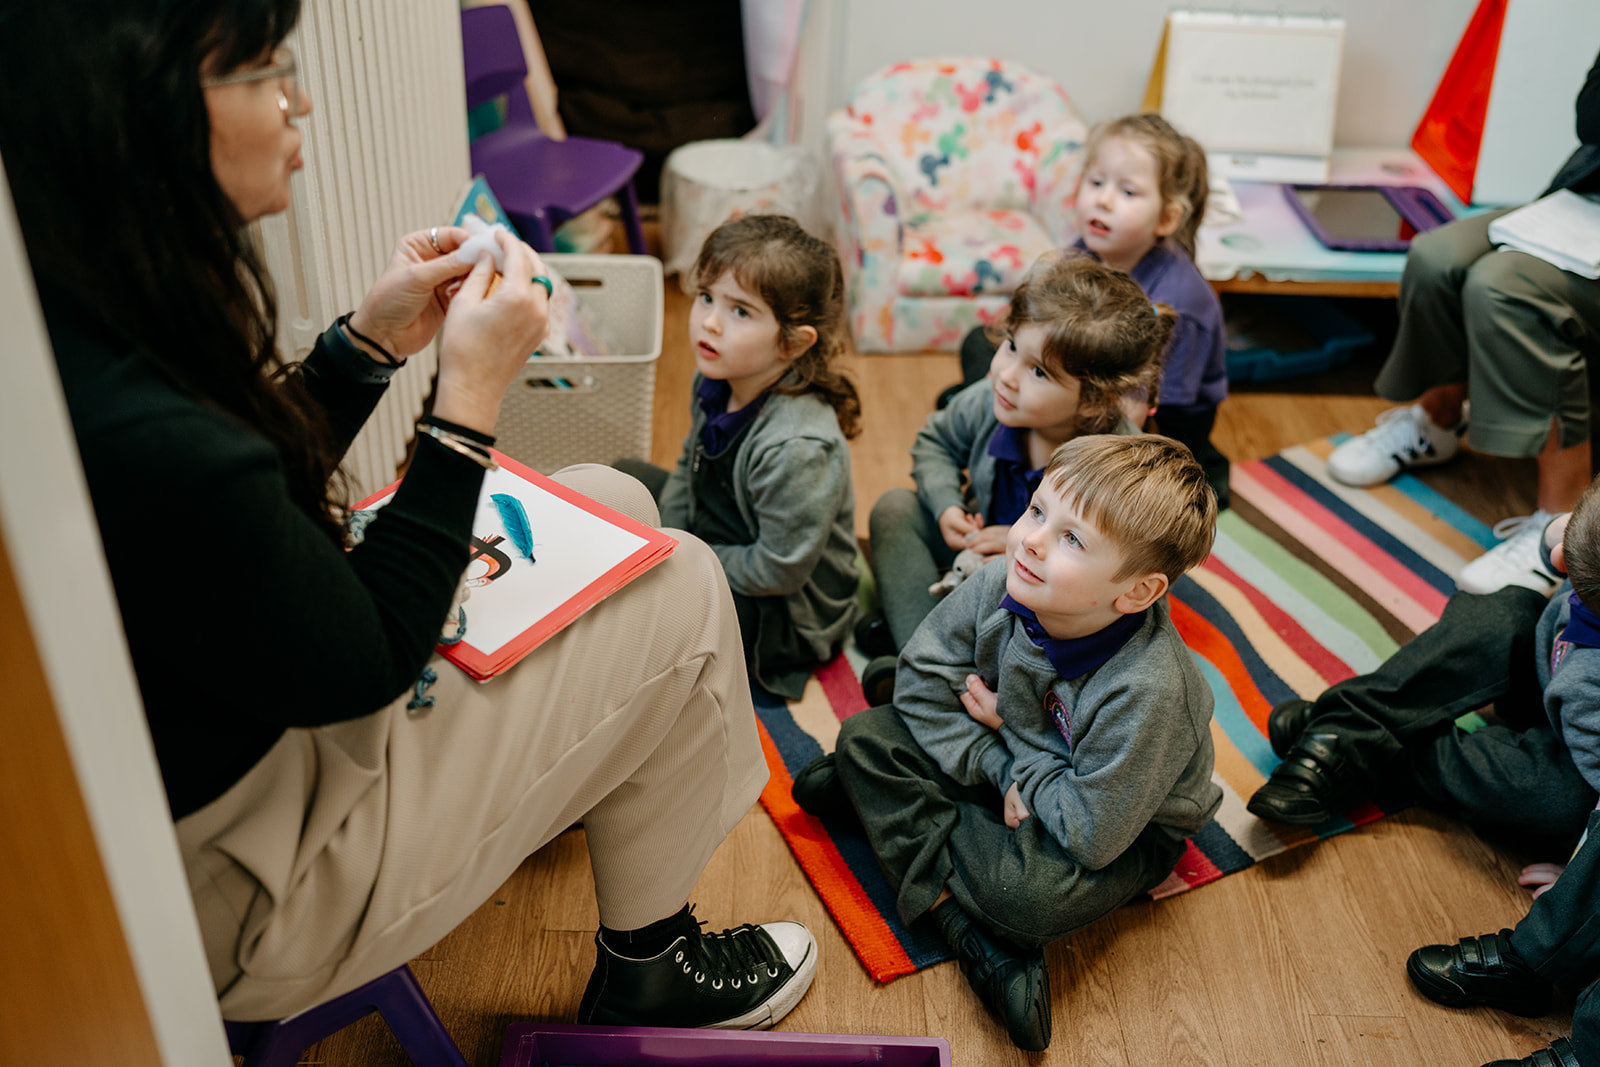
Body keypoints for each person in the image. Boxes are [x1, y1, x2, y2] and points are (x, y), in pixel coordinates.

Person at [0, 0, 816, 1029]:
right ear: (147, 110)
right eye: (263, 68)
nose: (296, 100)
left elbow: (232, 502)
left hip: (245, 747)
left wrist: (366, 344)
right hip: (255, 882)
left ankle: (588, 777)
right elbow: (373, 651)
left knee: (608, 498)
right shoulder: (140, 422)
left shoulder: (86, 321)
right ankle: (650, 965)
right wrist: (466, 396)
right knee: (683, 572)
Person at [796, 434, 1221, 1050]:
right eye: (1037, 510)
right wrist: (1004, 769)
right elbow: (919, 683)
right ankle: (966, 925)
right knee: (866, 737)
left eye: (1073, 540)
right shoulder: (1004, 578)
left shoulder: (1150, 691)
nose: (1032, 540)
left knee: (1027, 900)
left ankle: (892, 819)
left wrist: (1014, 735)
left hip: (1123, 826)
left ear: (1136, 592)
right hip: (1027, 773)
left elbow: (1089, 834)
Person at [1249, 481, 1600, 1067]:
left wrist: (1578, 873)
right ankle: (1352, 725)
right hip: (1546, 680)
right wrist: (1551, 539)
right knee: (1493, 617)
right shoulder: (1577, 544)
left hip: (1577, 767)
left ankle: (1357, 745)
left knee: (1546, 795)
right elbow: (1526, 559)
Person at [1322, 48, 1600, 598]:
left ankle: (1564, 525)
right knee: (1436, 257)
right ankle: (1436, 423)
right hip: (1583, 201)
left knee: (1504, 285)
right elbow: (1589, 119)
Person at [856, 252, 1171, 704]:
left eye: (1038, 372)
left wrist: (1026, 543)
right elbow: (936, 442)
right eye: (1009, 346)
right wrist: (947, 505)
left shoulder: (1118, 467)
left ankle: (942, 667)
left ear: (1092, 401)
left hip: (1048, 587)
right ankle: (920, 657)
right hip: (976, 554)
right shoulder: (992, 400)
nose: (1005, 376)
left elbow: (1130, 570)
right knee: (894, 509)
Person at [615, 214, 861, 701]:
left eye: (741, 311)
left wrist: (679, 558)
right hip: (722, 537)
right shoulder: (715, 377)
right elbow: (689, 464)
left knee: (667, 622)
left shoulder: (796, 446)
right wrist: (671, 539)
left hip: (783, 610)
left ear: (793, 342)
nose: (709, 321)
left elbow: (778, 570)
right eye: (707, 296)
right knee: (624, 480)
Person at [943, 114, 1229, 508]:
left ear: (1167, 218)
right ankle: (986, 412)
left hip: (1157, 420)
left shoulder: (1182, 301)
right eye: (1096, 182)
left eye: (1127, 192)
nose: (1103, 200)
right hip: (1080, 381)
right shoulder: (1086, 250)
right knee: (980, 343)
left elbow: (1138, 415)